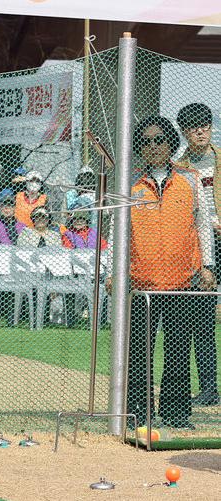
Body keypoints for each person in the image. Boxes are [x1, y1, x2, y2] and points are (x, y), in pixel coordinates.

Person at [115, 116, 215, 429]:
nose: (154, 146)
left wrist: (208, 266)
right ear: (139, 147)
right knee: (138, 353)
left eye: (159, 140)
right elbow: (117, 230)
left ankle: (176, 415)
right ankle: (137, 414)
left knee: (178, 351)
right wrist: (112, 272)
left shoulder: (190, 178)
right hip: (140, 282)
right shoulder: (129, 182)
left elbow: (203, 224)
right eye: (146, 141)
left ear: (171, 143)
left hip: (181, 281)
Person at [175, 103, 220, 407]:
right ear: (184, 132)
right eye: (193, 127)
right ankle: (208, 388)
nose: (201, 131)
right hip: (202, 244)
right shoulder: (179, 167)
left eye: (205, 125)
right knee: (202, 317)